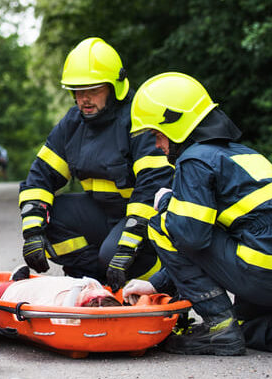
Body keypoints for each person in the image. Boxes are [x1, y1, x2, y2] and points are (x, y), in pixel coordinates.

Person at [123, 72, 272, 359]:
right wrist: (154, 283)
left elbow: (189, 238)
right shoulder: (241, 154)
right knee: (247, 326)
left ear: (176, 125)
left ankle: (220, 328)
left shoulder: (194, 160)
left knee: (162, 222)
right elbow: (204, 242)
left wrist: (168, 203)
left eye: (157, 135)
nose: (157, 145)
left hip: (263, 264)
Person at [18, 37, 174, 290]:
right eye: (78, 91)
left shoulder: (139, 118)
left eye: (93, 90)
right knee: (50, 217)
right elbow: (40, 177)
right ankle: (94, 283)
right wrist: (33, 232)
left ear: (115, 88)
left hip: (145, 220)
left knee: (114, 255)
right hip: (103, 213)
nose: (84, 99)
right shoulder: (73, 124)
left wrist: (129, 243)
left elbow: (152, 187)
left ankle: (164, 285)